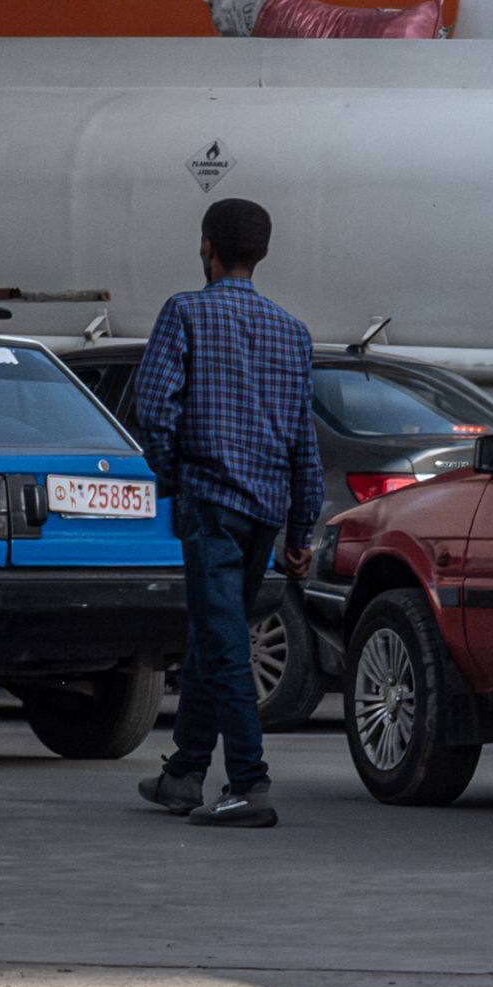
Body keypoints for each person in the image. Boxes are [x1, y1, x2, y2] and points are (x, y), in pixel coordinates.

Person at [127, 197, 324, 829]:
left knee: (223, 643)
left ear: (207, 247)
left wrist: (175, 473)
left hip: (210, 503)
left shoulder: (184, 311)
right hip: (266, 511)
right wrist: (300, 529)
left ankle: (248, 784)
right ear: (259, 253)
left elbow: (154, 406)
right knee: (212, 638)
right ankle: (184, 774)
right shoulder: (292, 331)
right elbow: (303, 440)